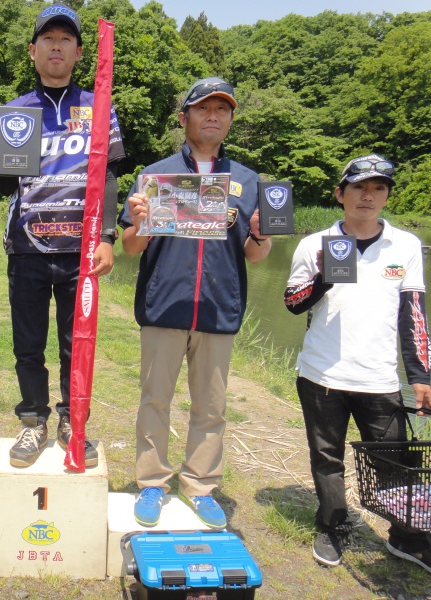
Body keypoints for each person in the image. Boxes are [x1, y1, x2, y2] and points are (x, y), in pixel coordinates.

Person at [119, 77, 271, 528]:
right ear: (184, 117)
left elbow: (256, 256)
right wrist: (142, 223)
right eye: (203, 108)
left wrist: (263, 234)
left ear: (229, 121)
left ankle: (201, 485)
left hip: (219, 308)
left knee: (211, 407)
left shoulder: (247, 180)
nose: (213, 116)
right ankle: (151, 483)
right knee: (155, 399)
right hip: (164, 305)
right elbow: (130, 247)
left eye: (222, 110)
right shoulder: (154, 175)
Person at [284, 154, 431, 572]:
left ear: (386, 196)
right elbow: (293, 303)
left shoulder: (404, 245)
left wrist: (421, 375)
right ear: (340, 194)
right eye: (359, 188)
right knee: (326, 458)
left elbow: (414, 314)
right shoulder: (314, 244)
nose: (368, 196)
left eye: (379, 188)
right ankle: (333, 526)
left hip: (380, 378)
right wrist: (324, 276)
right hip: (321, 374)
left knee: (396, 462)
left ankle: (408, 538)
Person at [0, 4, 125, 468]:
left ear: (77, 52)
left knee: (77, 343)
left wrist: (107, 236)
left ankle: (74, 421)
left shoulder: (98, 106)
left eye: (65, 39)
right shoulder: (16, 112)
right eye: (47, 39)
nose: (56, 46)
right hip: (27, 249)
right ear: (33, 51)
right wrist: (9, 159)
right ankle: (33, 421)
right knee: (28, 344)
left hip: (81, 252)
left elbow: (109, 176)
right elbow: (4, 185)